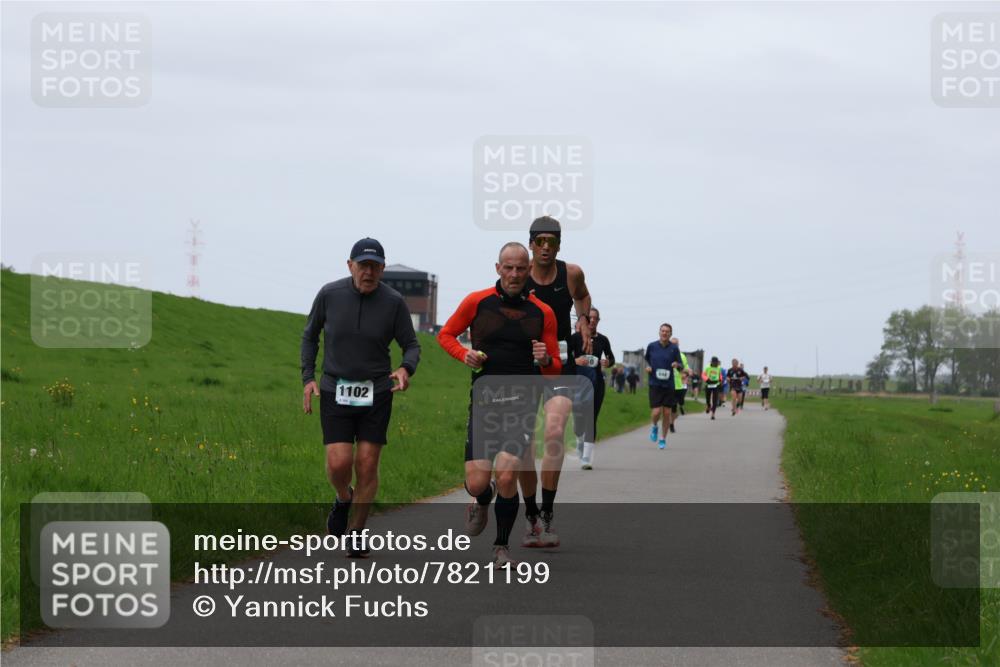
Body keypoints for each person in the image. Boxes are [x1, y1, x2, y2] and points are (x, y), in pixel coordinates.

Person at [437, 242, 562, 567]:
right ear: (498, 268)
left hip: (522, 401)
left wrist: (546, 358)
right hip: (485, 400)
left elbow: (554, 367)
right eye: (509, 267)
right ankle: (480, 499)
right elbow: (446, 335)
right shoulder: (477, 302)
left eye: (521, 268)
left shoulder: (542, 313)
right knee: (479, 482)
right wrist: (464, 354)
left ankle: (501, 545)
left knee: (507, 475)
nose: (515, 274)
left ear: (529, 271)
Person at [301, 237, 421, 557]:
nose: (368, 272)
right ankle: (343, 497)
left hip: (377, 392)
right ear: (350, 265)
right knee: (339, 463)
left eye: (375, 266)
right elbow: (310, 336)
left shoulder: (393, 302)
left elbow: (411, 344)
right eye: (363, 265)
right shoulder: (330, 294)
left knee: (367, 464)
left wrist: (406, 369)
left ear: (382, 269)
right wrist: (308, 379)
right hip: (335, 389)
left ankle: (356, 530)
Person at [519, 216, 593, 549]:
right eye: (540, 241)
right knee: (521, 445)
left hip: (559, 365)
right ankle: (530, 513)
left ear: (559, 244)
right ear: (531, 244)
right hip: (523, 364)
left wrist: (583, 321)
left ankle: (547, 514)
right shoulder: (517, 276)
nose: (546, 247)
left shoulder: (571, 273)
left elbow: (583, 297)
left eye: (552, 241)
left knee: (552, 433)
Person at [570, 308, 615, 469]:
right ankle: (579, 440)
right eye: (590, 318)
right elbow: (565, 358)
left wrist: (607, 362)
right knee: (579, 421)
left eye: (596, 318)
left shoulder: (603, 340)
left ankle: (586, 458)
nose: (593, 320)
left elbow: (611, 357)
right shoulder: (574, 338)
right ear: (585, 320)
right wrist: (576, 361)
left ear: (598, 321)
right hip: (577, 384)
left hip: (596, 383)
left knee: (591, 417)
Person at [644, 323, 683, 450]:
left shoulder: (674, 348)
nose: (664, 333)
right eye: (662, 331)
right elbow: (647, 360)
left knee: (667, 413)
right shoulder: (652, 346)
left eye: (667, 331)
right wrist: (648, 367)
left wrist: (677, 364)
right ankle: (654, 426)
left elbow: (681, 365)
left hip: (669, 384)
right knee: (656, 412)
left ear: (670, 334)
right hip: (655, 383)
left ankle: (663, 439)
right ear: (659, 332)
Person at [669, 337, 690, 431]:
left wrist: (686, 373)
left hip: (678, 385)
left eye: (675, 344)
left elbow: (686, 368)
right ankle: (669, 423)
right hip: (667, 384)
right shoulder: (666, 354)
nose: (674, 346)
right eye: (672, 344)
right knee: (668, 406)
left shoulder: (682, 356)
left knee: (675, 407)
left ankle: (672, 422)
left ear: (678, 345)